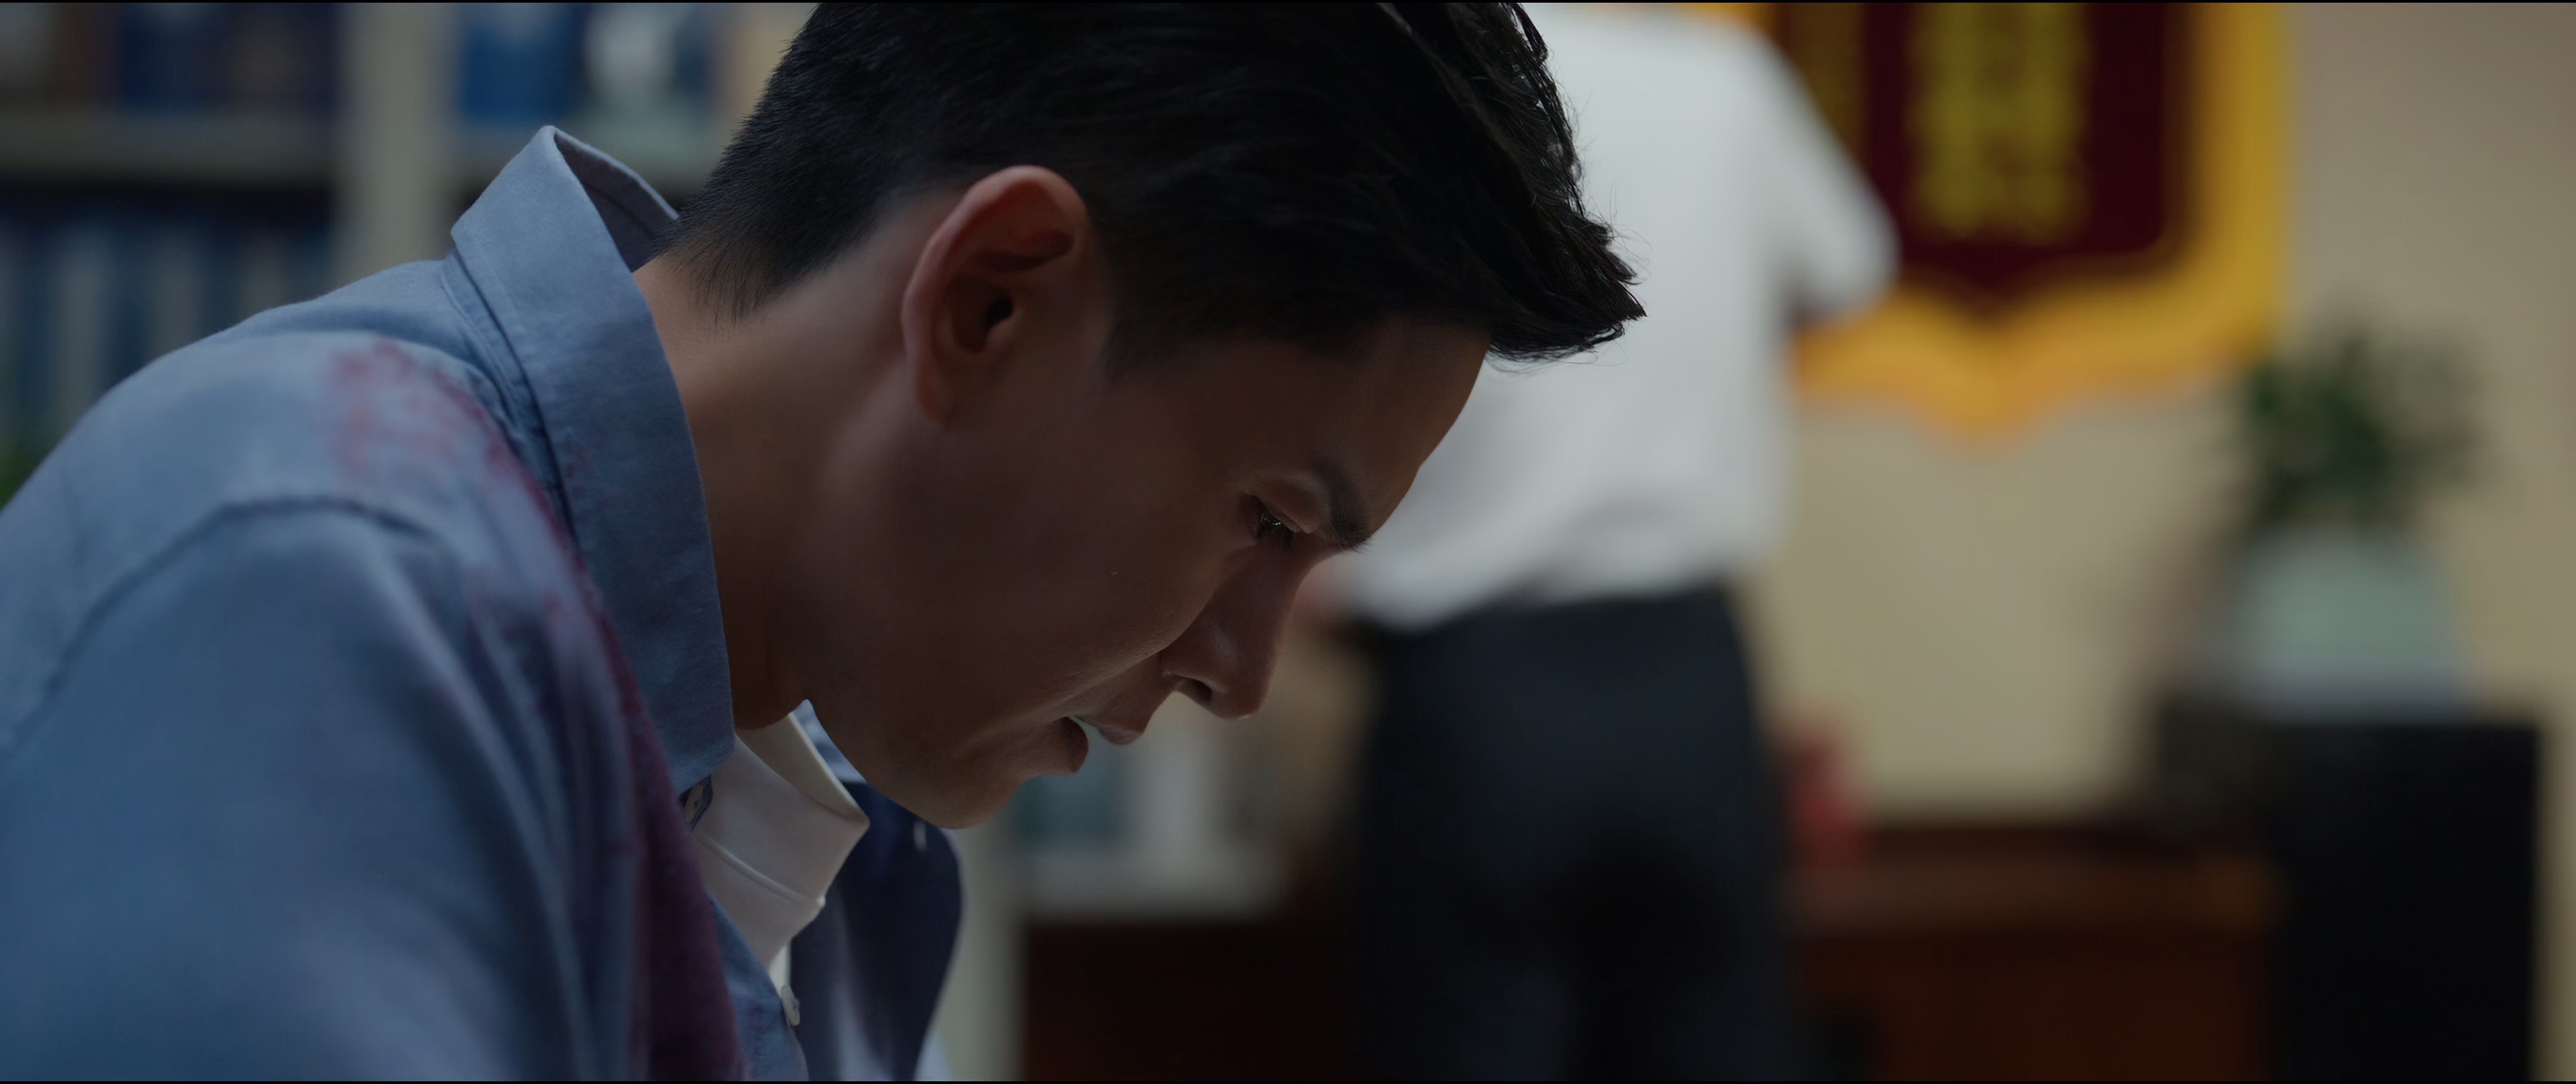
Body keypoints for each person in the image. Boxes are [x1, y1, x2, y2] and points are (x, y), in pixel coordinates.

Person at [0, 5, 1640, 1078]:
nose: (1243, 669)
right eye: (1267, 520)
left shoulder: (795, 789)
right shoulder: (314, 588)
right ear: (989, 299)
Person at [1332, 5, 1893, 1079]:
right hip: (1689, 684)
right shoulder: (1724, 85)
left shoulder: (1417, 61)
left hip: (1476, 691)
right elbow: (1850, 268)